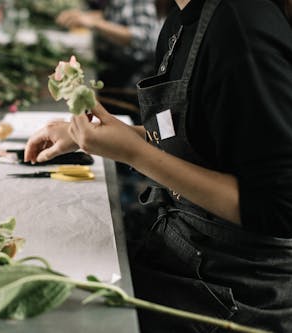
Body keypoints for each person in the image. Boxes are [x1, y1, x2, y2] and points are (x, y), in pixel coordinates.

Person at [25, 0, 292, 331]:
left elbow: (279, 206)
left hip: (235, 292)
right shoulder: (182, 20)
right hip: (185, 251)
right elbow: (198, 138)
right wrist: (100, 135)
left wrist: (135, 154)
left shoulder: (241, 27)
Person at [56, 0, 161, 116]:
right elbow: (117, 17)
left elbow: (144, 38)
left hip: (133, 74)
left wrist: (94, 23)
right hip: (113, 65)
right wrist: (84, 16)